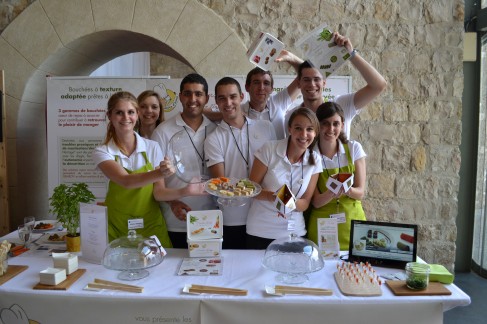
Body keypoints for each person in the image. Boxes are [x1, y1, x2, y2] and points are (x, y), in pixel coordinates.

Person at [92, 91, 205, 245]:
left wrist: (186, 191)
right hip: (118, 227)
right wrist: (160, 172)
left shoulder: (152, 147)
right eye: (119, 113)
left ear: (137, 114)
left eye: (130, 112)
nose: (126, 118)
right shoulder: (102, 151)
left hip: (151, 226)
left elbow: (159, 193)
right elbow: (126, 181)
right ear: (109, 116)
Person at [204, 77, 276, 249]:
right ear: (216, 101)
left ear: (242, 97)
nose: (228, 103)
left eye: (232, 97)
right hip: (233, 218)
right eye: (222, 98)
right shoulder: (213, 139)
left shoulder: (266, 127)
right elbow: (220, 183)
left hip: (265, 216)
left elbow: (275, 167)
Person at [151, 74, 217, 248]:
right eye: (187, 94)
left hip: (211, 219)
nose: (192, 99)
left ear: (206, 98)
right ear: (180, 96)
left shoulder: (216, 130)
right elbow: (155, 185)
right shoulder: (163, 132)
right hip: (176, 220)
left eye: (198, 94)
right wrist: (172, 203)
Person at [285, 31, 387, 138]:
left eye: (316, 79)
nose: (312, 84)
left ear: (324, 83)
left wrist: (351, 54)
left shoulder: (341, 105)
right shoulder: (291, 117)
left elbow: (379, 85)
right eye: (306, 79)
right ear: (298, 83)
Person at [246, 108, 322, 249]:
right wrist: (273, 196)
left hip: (294, 232)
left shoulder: (315, 160)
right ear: (289, 129)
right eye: (298, 128)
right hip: (261, 231)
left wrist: (290, 202)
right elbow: (251, 189)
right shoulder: (269, 149)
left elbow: (305, 203)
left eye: (309, 129)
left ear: (315, 132)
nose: (304, 134)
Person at [307, 102, 367, 250]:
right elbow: (315, 202)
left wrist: (347, 190)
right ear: (317, 125)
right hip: (323, 226)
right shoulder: (309, 155)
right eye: (325, 123)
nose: (331, 129)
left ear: (342, 125)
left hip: (352, 223)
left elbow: (360, 193)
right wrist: (332, 192)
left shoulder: (354, 148)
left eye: (335, 124)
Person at [241, 50, 303, 139]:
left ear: (271, 89)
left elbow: (305, 74)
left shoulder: (278, 102)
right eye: (256, 82)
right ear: (247, 87)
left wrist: (291, 58)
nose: (261, 87)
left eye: (266, 83)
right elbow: (215, 116)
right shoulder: (240, 111)